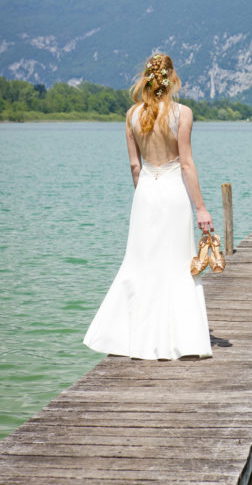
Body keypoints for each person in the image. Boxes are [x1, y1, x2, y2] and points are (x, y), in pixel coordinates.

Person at [83, 53, 213, 360]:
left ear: (147, 77)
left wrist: (144, 196)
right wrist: (201, 209)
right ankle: (178, 340)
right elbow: (186, 164)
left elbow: (134, 165)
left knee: (141, 262)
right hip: (173, 193)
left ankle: (131, 337)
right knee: (177, 263)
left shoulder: (131, 115)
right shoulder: (182, 113)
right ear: (172, 79)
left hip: (144, 194)